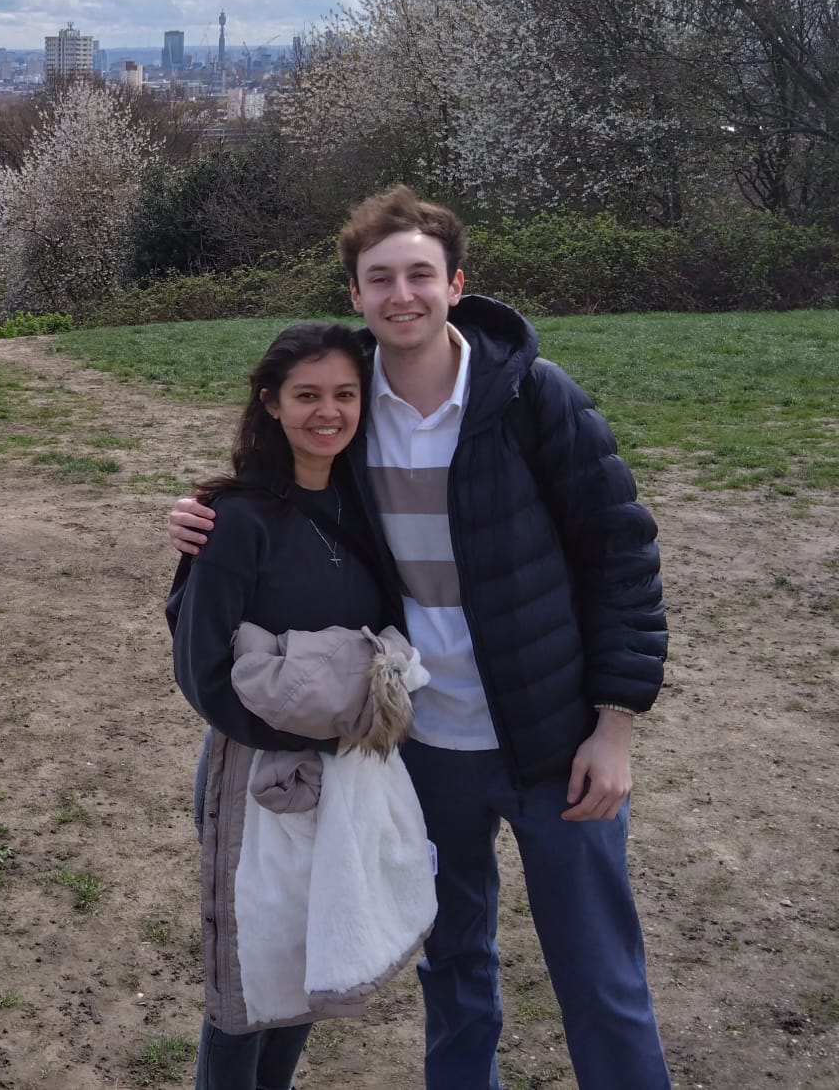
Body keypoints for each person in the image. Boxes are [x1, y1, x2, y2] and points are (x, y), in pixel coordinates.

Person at [168, 186, 671, 1090]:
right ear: (356, 293)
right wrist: (201, 519)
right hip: (422, 743)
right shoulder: (349, 408)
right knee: (457, 970)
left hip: (553, 740)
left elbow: (620, 553)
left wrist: (616, 722)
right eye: (380, 278)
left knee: (599, 976)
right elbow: (284, 497)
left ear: (456, 283)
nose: (402, 295)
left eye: (420, 275)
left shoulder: (532, 399)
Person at [167, 321, 434, 1090]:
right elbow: (201, 670)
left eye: (345, 394)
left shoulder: (364, 503)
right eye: (307, 394)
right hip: (257, 776)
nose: (329, 411)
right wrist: (303, 729)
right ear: (270, 403)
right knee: (246, 986)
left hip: (347, 774)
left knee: (306, 963)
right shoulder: (237, 518)